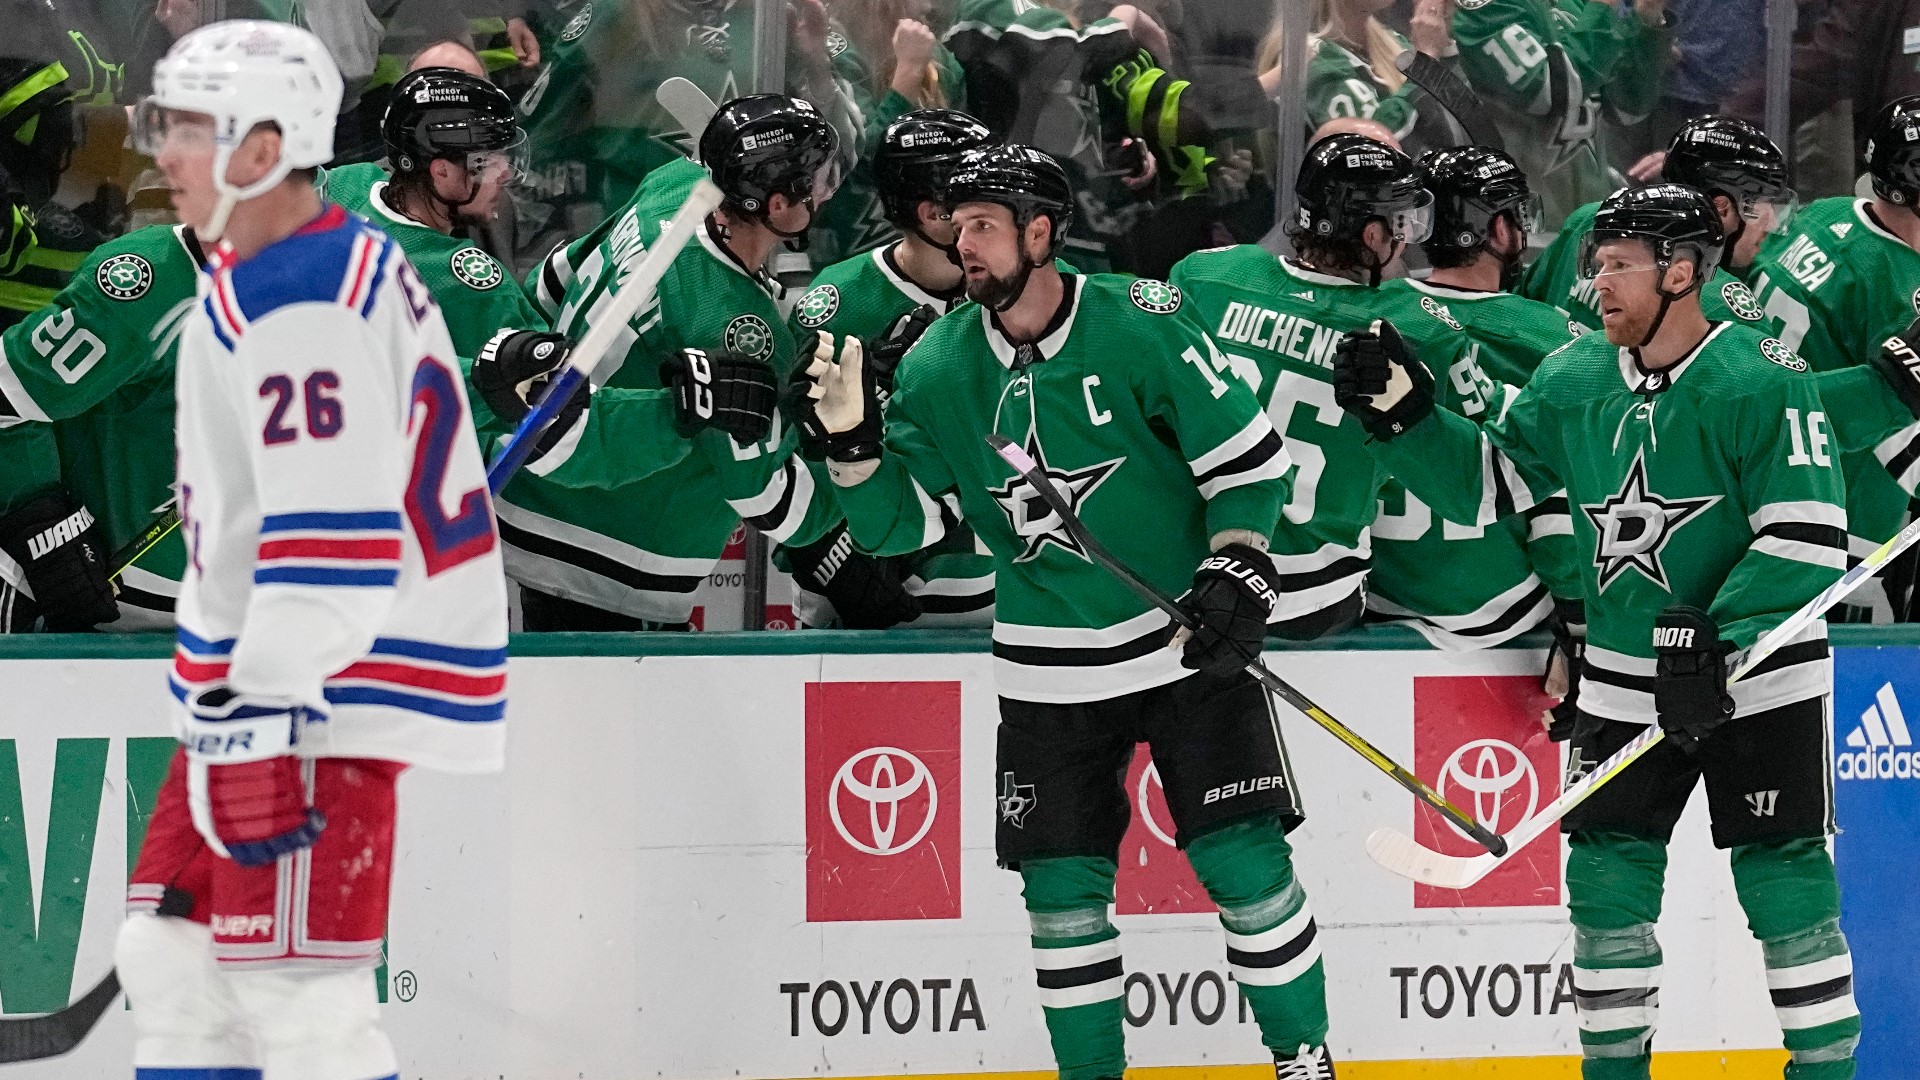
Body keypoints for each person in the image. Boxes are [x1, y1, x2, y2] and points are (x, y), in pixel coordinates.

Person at [797, 143, 1336, 1079]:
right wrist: (852, 449)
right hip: (1047, 664)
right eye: (956, 225)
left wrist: (1241, 562)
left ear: (1040, 233)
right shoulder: (935, 368)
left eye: (983, 226)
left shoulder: (1140, 322)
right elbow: (898, 529)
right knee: (1060, 896)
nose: (963, 244)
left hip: (1182, 641)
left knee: (1244, 865)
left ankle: (1303, 1059)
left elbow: (1249, 463)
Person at [1335, 183, 1858, 1077]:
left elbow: (1807, 537)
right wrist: (1411, 422)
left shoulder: (1764, 379)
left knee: (1785, 881)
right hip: (1621, 678)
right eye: (1596, 263)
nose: (1597, 284)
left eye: (1619, 265)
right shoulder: (1573, 379)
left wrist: (1715, 638)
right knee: (1607, 886)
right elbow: (1487, 485)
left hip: (1759, 677)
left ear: (1682, 271)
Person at [118, 20, 508, 1080]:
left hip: (317, 689)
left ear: (259, 150)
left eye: (187, 129)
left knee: (299, 1000)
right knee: (173, 962)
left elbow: (331, 553)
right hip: (269, 680)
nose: (162, 152)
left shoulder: (302, 294)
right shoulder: (295, 262)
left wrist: (259, 716)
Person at [500, 94, 842, 629]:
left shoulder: (673, 186)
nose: (827, 190)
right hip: (613, 557)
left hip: (529, 494)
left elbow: (553, 281)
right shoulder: (737, 330)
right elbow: (765, 497)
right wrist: (846, 479)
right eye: (820, 179)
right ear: (777, 205)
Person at [1170, 133, 1480, 638]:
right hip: (1313, 596)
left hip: (1195, 575)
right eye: (1403, 222)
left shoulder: (1206, 275)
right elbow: (1473, 475)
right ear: (1374, 235)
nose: (1407, 237)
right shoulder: (1420, 329)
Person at [785, 108, 1000, 628]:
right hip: (875, 581)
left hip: (1002, 583)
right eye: (980, 197)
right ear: (932, 214)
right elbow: (788, 458)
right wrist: (825, 554)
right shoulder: (838, 306)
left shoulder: (1025, 286)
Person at [1365, 146, 1579, 656]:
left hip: (1373, 589)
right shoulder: (1555, 340)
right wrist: (1580, 621)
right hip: (1500, 604)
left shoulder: (1369, 312)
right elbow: (1566, 502)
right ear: (1500, 229)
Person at [1748, 96, 1920, 618]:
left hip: (1757, 478)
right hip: (1842, 525)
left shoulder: (1825, 215)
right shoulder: (1901, 293)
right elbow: (1902, 445)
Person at [0, 221, 208, 632]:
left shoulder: (326, 291)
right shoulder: (149, 282)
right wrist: (44, 528)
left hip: (233, 619)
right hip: (89, 610)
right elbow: (8, 394)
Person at [943, 0, 1213, 271]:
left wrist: (1122, 157)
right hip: (1032, 225)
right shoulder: (1003, 7)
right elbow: (1072, 53)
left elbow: (1070, 123)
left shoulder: (1066, 24)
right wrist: (1126, 17)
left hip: (1087, 230)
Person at [318, 66, 548, 360]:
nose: (505, 173)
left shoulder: (343, 183)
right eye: (489, 161)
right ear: (441, 171)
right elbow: (542, 380)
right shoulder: (471, 288)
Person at [1519, 116, 1789, 334]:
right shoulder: (1716, 303)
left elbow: (1524, 306)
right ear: (1722, 209)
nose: (1772, 223)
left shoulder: (1588, 220)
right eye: (1764, 206)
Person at [1450, 0, 1672, 224]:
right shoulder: (1486, 9)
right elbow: (1550, 92)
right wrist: (1602, 7)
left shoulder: (1576, 3)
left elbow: (1627, 108)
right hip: (1528, 216)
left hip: (1589, 208)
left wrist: (1647, 15)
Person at [1271, 0, 1459, 152]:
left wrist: (1442, 35)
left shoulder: (1391, 41)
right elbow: (1372, 147)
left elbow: (1449, 113)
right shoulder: (1310, 57)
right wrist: (1425, 60)